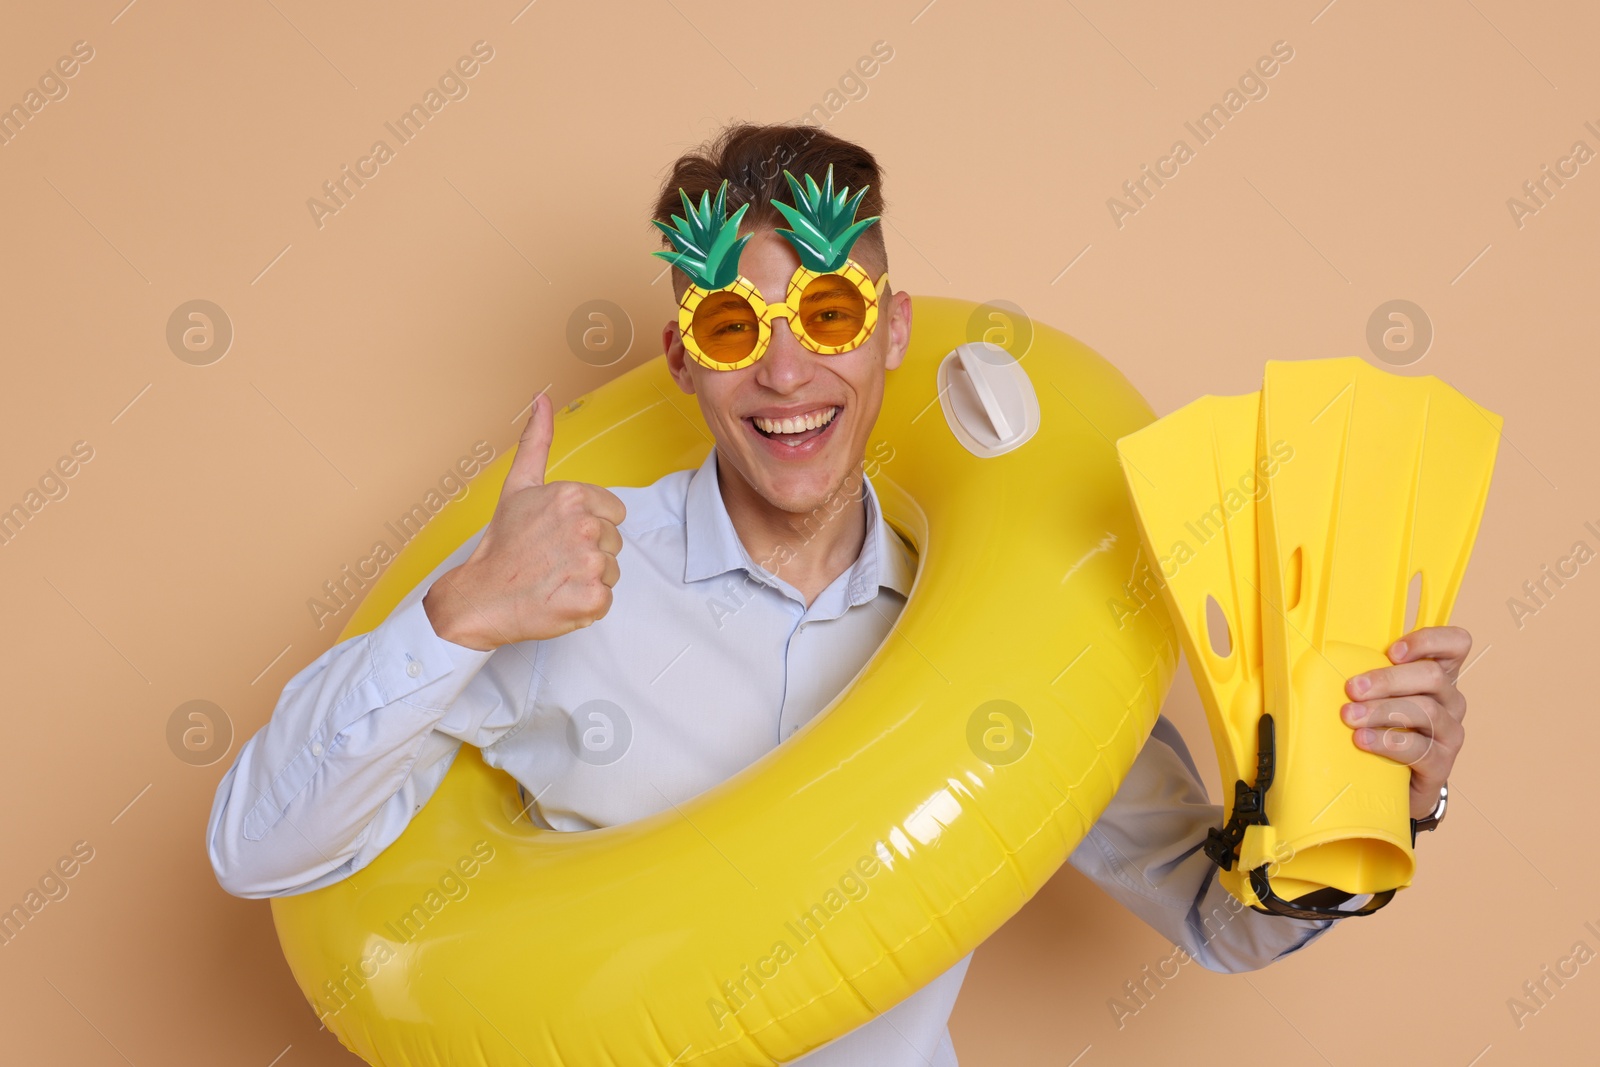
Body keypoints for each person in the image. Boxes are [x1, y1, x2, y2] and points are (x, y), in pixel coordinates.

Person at [207, 122, 1470, 1065]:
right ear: (680, 363)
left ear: (894, 332)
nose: (786, 373)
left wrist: (1377, 802)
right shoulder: (559, 574)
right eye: (731, 331)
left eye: (826, 312)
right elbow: (258, 847)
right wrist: (460, 613)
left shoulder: (999, 635)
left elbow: (1213, 916)